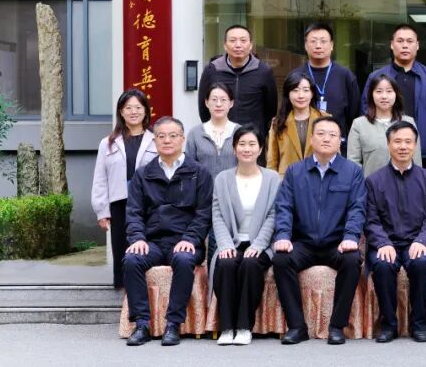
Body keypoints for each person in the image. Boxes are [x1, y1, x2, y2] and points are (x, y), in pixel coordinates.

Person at [272, 116, 366, 345]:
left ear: (340, 141)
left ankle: (337, 326)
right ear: (312, 139)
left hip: (337, 242)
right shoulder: (295, 171)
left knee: (352, 260)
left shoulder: (352, 171)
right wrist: (283, 236)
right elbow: (284, 207)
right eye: (321, 134)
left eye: (332, 135)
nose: (326, 139)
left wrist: (350, 237)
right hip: (303, 242)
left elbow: (357, 208)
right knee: (281, 259)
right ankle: (297, 326)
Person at [123, 117, 213, 347]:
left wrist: (190, 239)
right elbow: (133, 212)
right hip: (152, 242)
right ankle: (141, 324)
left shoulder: (199, 172)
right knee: (131, 259)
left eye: (173, 136)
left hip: (184, 241)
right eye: (161, 136)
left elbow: (204, 213)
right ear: (154, 141)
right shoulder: (143, 174)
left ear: (182, 139)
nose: (167, 140)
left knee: (184, 259)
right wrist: (137, 238)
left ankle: (173, 324)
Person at [365, 122, 426, 343]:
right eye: (397, 141)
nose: (403, 147)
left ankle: (419, 324)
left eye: (408, 142)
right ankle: (389, 325)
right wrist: (382, 242)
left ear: (415, 145)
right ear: (388, 144)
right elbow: (370, 219)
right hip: (386, 243)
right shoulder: (374, 181)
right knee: (383, 265)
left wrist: (422, 240)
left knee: (420, 264)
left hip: (417, 242)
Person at [209, 126, 280, 346]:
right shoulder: (222, 179)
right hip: (232, 240)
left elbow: (273, 215)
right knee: (226, 263)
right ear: (234, 149)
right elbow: (217, 215)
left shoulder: (272, 178)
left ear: (260, 149)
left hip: (262, 244)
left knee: (250, 264)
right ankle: (226, 327)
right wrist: (225, 245)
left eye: (252, 144)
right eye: (241, 144)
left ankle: (243, 327)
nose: (246, 149)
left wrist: (258, 245)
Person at [362, 24, 426, 180]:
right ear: (392, 44)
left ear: (417, 45)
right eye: (400, 41)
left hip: (425, 154)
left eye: (410, 41)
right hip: (384, 152)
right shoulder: (377, 77)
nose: (405, 45)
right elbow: (367, 112)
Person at [91, 89, 157, 289]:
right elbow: (100, 178)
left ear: (146, 110)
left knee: (146, 244)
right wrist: (101, 210)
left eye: (138, 107)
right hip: (119, 201)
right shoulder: (108, 143)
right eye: (128, 108)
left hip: (149, 202)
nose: (133, 112)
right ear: (121, 111)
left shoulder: (156, 140)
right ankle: (122, 288)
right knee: (121, 245)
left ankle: (147, 286)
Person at [198, 24, 277, 138]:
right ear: (225, 45)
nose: (238, 45)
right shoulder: (212, 70)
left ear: (251, 45)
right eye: (232, 40)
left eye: (243, 40)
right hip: (220, 137)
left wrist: (259, 133)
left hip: (252, 138)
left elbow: (271, 109)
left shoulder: (263, 71)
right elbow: (203, 107)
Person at [288, 22, 362, 137]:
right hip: (303, 141)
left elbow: (354, 115)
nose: (318, 46)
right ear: (306, 46)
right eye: (313, 41)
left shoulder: (345, 76)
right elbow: (287, 111)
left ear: (332, 45)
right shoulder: (296, 75)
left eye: (323, 41)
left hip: (338, 142)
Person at [346, 74, 420, 176]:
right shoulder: (359, 124)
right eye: (379, 91)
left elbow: (416, 160)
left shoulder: (408, 122)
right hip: (370, 184)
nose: (384, 96)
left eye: (389, 91)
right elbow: (353, 162)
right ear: (371, 95)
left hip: (405, 183)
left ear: (396, 94)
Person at [267, 72, 327, 175]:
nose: (301, 95)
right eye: (295, 90)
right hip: (287, 180)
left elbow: (335, 156)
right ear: (288, 94)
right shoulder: (278, 122)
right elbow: (272, 162)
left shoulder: (325, 119)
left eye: (306, 90)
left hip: (319, 179)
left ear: (312, 93)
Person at [186, 82, 240, 183]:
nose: (218, 104)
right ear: (207, 102)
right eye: (214, 99)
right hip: (203, 190)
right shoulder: (195, 133)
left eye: (223, 100)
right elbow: (188, 168)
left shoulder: (240, 132)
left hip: (232, 189)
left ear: (231, 103)